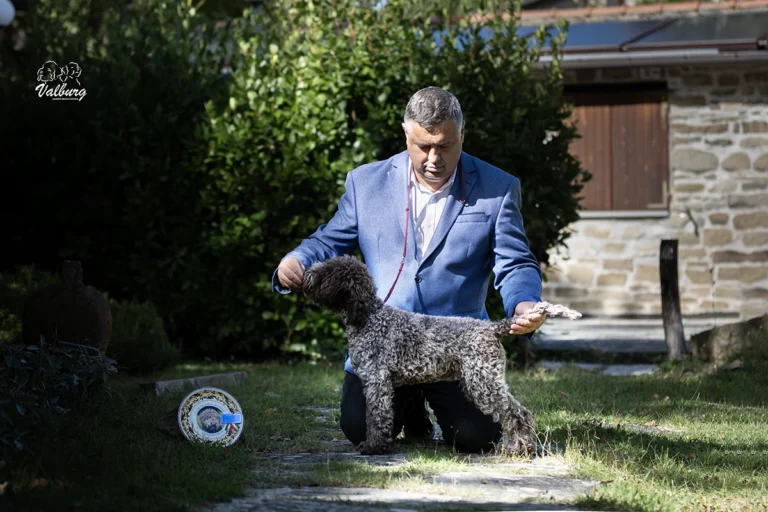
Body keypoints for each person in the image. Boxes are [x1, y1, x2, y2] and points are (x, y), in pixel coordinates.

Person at [272, 86, 545, 453]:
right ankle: (411, 408)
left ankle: (429, 407)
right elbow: (329, 241)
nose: (434, 158)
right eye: (422, 146)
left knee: (477, 438)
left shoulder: (499, 188)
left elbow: (514, 261)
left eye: (445, 145)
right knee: (357, 429)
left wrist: (524, 303)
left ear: (462, 133)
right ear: (406, 133)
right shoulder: (365, 183)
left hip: (452, 347)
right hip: (382, 341)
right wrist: (297, 261)